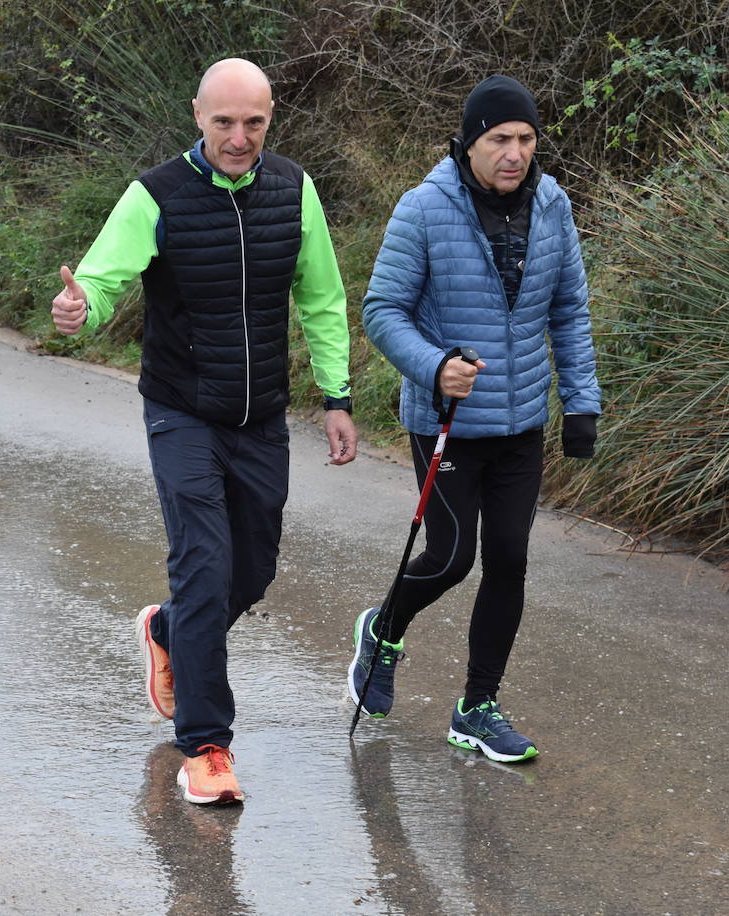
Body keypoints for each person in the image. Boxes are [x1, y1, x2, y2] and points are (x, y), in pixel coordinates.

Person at [52, 58, 358, 804]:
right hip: (181, 410)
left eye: (254, 122)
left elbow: (322, 297)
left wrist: (337, 395)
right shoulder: (154, 194)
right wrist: (79, 308)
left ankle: (168, 632)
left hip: (261, 417)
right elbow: (101, 277)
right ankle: (207, 746)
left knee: (249, 573)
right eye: (224, 122)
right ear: (197, 116)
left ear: (271, 117)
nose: (239, 137)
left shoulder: (295, 190)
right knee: (202, 563)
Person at [350, 74, 601, 763]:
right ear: (468, 143)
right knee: (453, 557)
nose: (515, 153)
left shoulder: (552, 205)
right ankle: (383, 632)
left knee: (511, 560)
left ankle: (477, 708)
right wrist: (434, 366)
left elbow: (569, 311)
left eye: (525, 139)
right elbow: (381, 311)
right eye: (500, 140)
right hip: (448, 420)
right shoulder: (424, 209)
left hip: (521, 423)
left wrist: (581, 403)